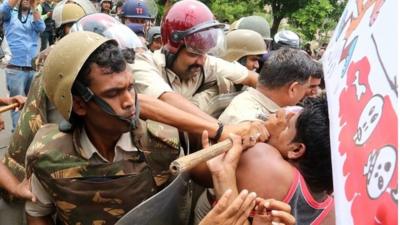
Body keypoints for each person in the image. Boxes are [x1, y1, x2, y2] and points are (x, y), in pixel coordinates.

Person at [24, 31, 269, 225]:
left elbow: (206, 175)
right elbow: (38, 213)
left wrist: (227, 166)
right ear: (78, 104)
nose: (130, 101)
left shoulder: (165, 141)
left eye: (130, 87)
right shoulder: (48, 155)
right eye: (113, 93)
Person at [131, 0, 259, 113]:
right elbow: (169, 101)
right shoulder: (144, 64)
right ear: (172, 49)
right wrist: (223, 129)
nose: (202, 61)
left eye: (204, 52)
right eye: (193, 53)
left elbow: (252, 78)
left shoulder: (205, 61)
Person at [236, 95, 335, 225]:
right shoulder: (334, 214)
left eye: (287, 126)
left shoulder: (262, 158)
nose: (281, 122)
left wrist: (266, 133)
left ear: (296, 150)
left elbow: (202, 170)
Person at [219, 47, 313, 125]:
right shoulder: (252, 126)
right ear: (293, 89)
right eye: (307, 88)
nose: (306, 94)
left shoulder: (247, 101)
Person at [0, 0, 45, 128]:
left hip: (32, 68)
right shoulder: (10, 15)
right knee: (17, 105)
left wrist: (34, 6)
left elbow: (41, 27)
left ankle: (30, 134)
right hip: (15, 68)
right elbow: (3, 10)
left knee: (32, 104)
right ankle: (17, 137)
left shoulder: (33, 15)